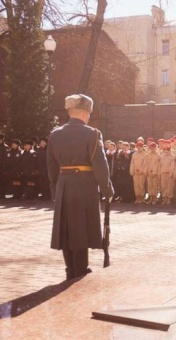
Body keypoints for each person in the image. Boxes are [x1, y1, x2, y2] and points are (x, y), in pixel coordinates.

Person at [47, 94, 114, 280]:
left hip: (63, 183)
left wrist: (55, 189)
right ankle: (80, 269)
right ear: (85, 113)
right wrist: (107, 189)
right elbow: (100, 165)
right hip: (84, 185)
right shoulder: (92, 134)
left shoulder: (55, 134)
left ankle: (70, 269)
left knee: (66, 228)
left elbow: (51, 165)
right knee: (81, 228)